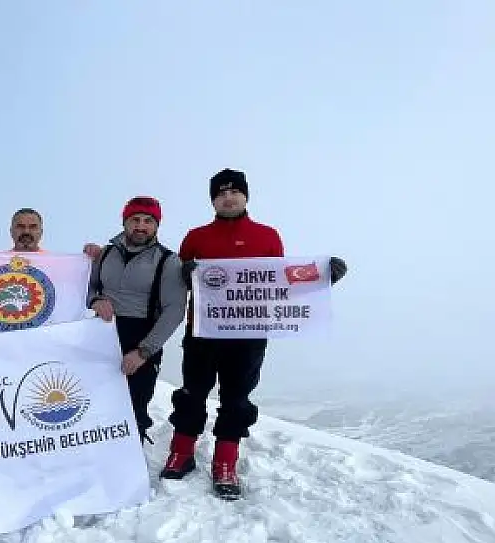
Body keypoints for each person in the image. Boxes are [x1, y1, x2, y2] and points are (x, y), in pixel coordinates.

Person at [160, 168, 348, 500]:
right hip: (202, 331)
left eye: (234, 192)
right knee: (192, 393)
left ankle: (225, 462)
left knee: (236, 399)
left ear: (246, 196)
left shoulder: (267, 236)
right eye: (220, 193)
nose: (228, 197)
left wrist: (322, 277)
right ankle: (182, 452)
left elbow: (278, 282)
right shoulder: (196, 237)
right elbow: (175, 282)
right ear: (213, 200)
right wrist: (185, 273)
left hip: (249, 334)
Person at [85, 197, 187, 445]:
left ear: (156, 225)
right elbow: (88, 288)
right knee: (95, 405)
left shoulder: (168, 261)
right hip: (102, 335)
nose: (140, 226)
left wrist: (143, 352)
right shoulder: (106, 253)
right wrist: (96, 300)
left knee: (134, 408)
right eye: (135, 220)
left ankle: (128, 468)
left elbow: (174, 310)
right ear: (125, 222)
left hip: (141, 337)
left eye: (148, 221)